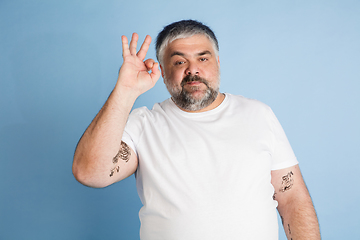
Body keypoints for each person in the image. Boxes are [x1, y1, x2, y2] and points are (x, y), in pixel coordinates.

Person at [73, 20, 320, 240]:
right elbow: (89, 173)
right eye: (180, 61)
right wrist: (125, 91)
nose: (193, 70)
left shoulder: (258, 114)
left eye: (203, 58)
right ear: (161, 70)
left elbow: (292, 199)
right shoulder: (143, 124)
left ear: (217, 62)